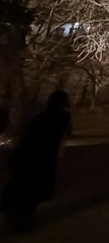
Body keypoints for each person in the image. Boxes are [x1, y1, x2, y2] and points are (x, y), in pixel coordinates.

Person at [1, 91, 72, 233]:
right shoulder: (63, 118)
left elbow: (27, 140)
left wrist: (15, 159)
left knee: (19, 195)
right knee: (31, 199)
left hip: (29, 162)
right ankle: (24, 225)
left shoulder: (40, 119)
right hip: (44, 164)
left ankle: (14, 225)